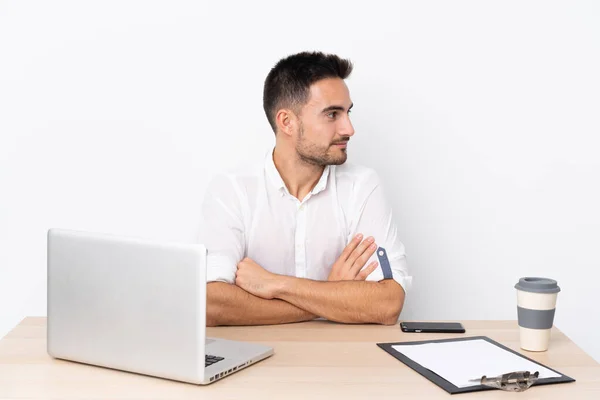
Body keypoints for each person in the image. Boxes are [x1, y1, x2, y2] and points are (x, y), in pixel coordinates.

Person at [200, 51, 410, 326]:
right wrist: (330, 294)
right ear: (286, 122)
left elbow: (387, 304)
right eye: (332, 114)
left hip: (343, 360)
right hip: (257, 362)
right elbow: (211, 305)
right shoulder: (232, 190)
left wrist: (276, 284)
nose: (349, 128)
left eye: (348, 112)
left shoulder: (362, 186)